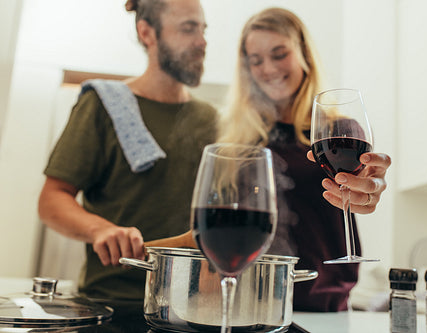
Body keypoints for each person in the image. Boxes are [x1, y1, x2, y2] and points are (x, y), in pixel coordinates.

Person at [38, 0, 218, 301]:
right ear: (147, 32)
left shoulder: (213, 120)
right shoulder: (102, 105)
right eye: (188, 29)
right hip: (111, 303)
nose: (202, 42)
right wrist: (99, 230)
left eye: (203, 29)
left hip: (194, 306)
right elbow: (52, 199)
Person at [217, 7, 391, 312]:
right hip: (248, 306)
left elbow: (364, 186)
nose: (268, 68)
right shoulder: (237, 142)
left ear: (304, 55)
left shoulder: (339, 131)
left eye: (279, 54)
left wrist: (368, 190)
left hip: (323, 307)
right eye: (255, 60)